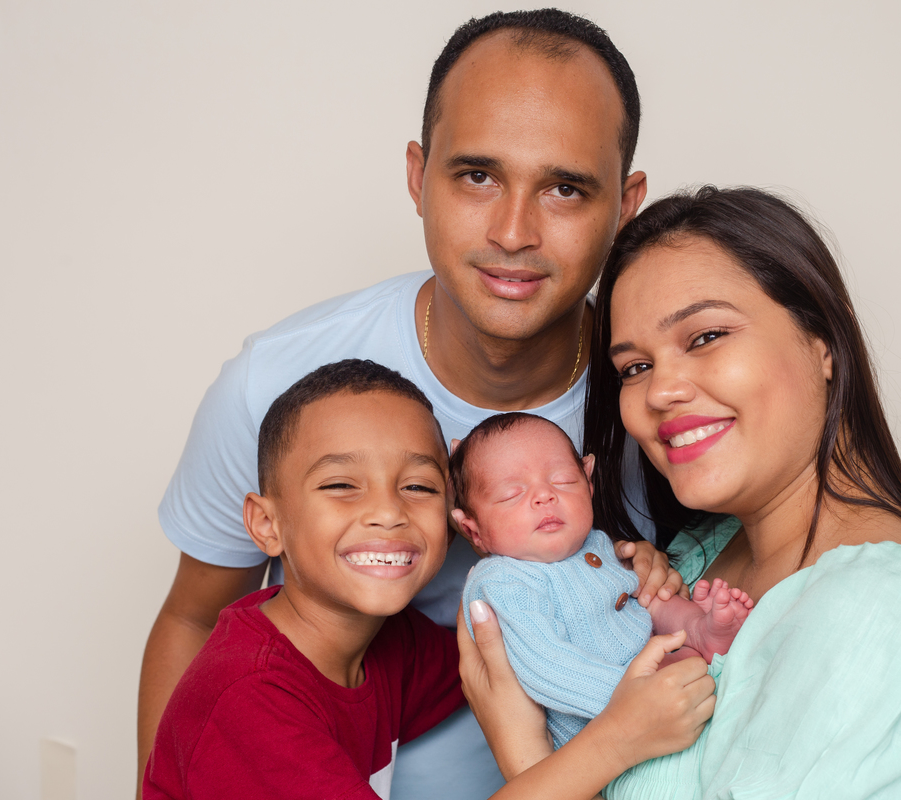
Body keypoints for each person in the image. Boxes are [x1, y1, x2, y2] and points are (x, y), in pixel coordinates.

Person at [137, 9, 655, 798]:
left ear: (624, 204)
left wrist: (644, 582)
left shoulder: (667, 402)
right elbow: (194, 621)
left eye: (564, 188)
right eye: (477, 176)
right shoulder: (276, 386)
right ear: (418, 176)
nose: (514, 231)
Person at [461, 186, 901, 799]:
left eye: (705, 337)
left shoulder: (876, 608)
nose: (660, 391)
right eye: (635, 368)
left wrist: (525, 754)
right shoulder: (700, 551)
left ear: (823, 341)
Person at [144, 359, 716, 800]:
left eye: (418, 487)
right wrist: (615, 739)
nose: (388, 512)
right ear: (267, 525)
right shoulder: (249, 701)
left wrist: (612, 573)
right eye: (341, 485)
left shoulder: (394, 645)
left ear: (454, 520)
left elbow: (516, 656)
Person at [452, 412, 752, 748]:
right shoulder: (501, 581)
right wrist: (634, 698)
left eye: (563, 480)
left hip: (659, 679)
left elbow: (644, 603)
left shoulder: (596, 544)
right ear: (473, 531)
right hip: (604, 725)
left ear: (589, 482)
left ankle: (701, 633)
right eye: (511, 494)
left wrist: (691, 623)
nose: (544, 496)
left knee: (654, 596)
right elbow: (547, 666)